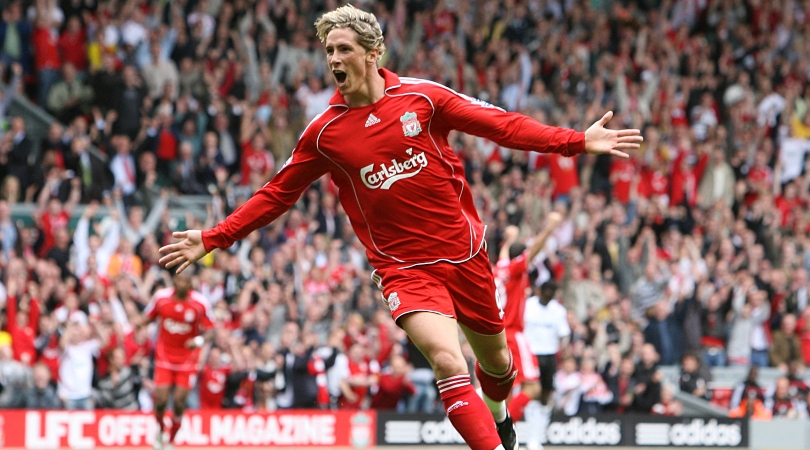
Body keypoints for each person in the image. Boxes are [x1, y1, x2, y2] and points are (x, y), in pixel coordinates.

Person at [158, 5, 642, 449]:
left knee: (498, 367)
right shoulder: (325, 133)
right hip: (404, 270)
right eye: (328, 50)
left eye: (343, 48)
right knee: (449, 362)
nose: (333, 58)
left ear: (373, 54)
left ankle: (499, 415)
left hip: (466, 254)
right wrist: (213, 237)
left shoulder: (423, 99)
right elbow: (277, 193)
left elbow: (502, 125)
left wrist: (576, 141)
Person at [497, 213, 562, 450]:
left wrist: (509, 238)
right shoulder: (515, 269)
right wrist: (550, 227)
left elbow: (505, 254)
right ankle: (501, 428)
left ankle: (500, 428)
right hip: (514, 333)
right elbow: (532, 251)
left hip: (498, 335)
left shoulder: (501, 267)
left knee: (506, 390)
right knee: (533, 388)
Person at [142, 268, 214, 450]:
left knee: (180, 401)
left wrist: (197, 340)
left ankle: (172, 440)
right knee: (160, 401)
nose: (182, 283)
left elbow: (211, 331)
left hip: (187, 360)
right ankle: (159, 430)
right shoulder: (161, 298)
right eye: (179, 279)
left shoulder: (200, 303)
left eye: (186, 280)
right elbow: (147, 318)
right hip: (164, 357)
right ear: (174, 280)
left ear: (191, 283)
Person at [523, 279, 571, 447]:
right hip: (530, 354)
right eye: (546, 294)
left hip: (549, 355)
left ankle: (537, 435)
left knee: (545, 394)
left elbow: (564, 333)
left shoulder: (558, 311)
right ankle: (530, 434)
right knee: (530, 392)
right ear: (540, 292)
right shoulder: (528, 306)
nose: (548, 298)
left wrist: (564, 349)